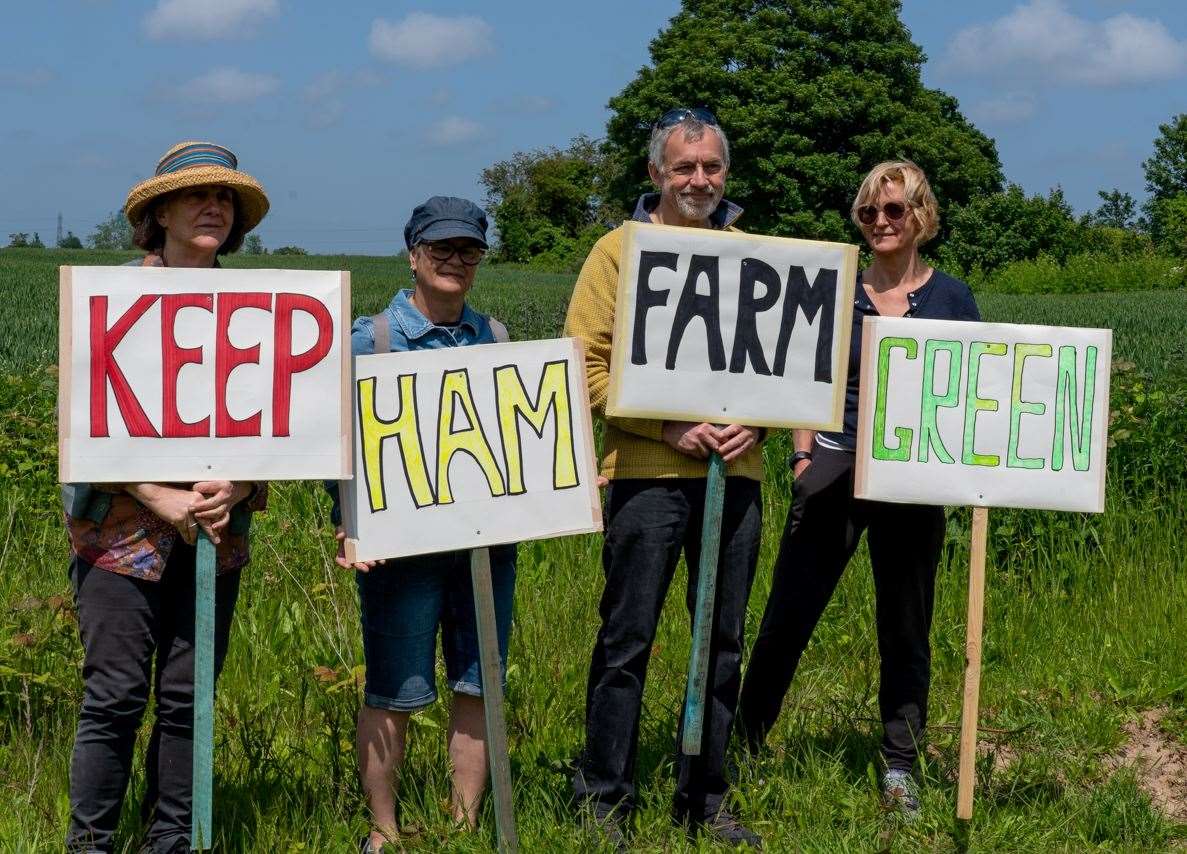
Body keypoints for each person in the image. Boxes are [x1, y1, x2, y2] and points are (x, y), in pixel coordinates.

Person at [737, 160, 981, 818]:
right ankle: (745, 743)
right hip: (833, 465)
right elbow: (799, 374)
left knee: (905, 627)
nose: (879, 221)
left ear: (920, 217)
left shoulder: (953, 298)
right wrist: (798, 457)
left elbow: (969, 394)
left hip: (912, 480)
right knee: (787, 616)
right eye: (868, 211)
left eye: (893, 210)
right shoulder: (833, 289)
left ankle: (899, 765)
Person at [564, 108, 765, 849]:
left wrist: (764, 424)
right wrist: (667, 429)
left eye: (710, 166)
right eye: (684, 167)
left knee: (720, 640)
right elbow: (580, 365)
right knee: (627, 639)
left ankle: (705, 798)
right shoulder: (616, 253)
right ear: (655, 174)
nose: (699, 180)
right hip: (645, 477)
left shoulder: (756, 256)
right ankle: (604, 797)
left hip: (735, 477)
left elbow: (789, 366)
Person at [63, 141, 270, 853]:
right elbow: (82, 419)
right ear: (160, 213)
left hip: (216, 531)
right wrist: (159, 495)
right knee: (115, 696)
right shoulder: (110, 297)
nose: (213, 207)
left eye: (225, 200)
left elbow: (283, 418)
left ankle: (171, 842)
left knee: (188, 702)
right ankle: (90, 844)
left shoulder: (259, 309)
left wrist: (239, 484)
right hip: (120, 535)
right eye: (195, 196)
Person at [325, 197, 517, 854]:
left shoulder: (495, 338)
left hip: (485, 547)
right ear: (412, 254)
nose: (454, 261)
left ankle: (462, 826)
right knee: (394, 688)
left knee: (477, 681)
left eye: (467, 250)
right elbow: (338, 443)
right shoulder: (371, 339)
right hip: (398, 551)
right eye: (440, 249)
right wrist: (347, 523)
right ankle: (382, 831)